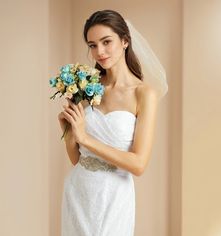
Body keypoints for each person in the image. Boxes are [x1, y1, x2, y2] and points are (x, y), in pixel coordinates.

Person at [58, 9, 168, 236]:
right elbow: (77, 159)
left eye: (106, 42)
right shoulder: (87, 87)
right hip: (78, 190)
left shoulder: (144, 94)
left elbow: (138, 164)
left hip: (114, 195)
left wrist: (85, 138)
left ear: (125, 41)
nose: (99, 51)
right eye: (92, 45)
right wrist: (69, 131)